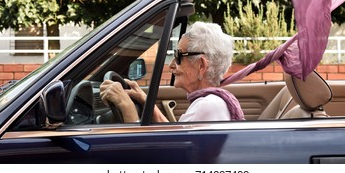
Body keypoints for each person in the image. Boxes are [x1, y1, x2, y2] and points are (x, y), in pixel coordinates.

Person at [100, 21, 245, 122]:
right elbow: (177, 138)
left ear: (201, 65)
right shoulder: (212, 103)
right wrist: (145, 101)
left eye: (179, 56)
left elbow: (165, 161)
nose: (171, 65)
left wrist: (126, 106)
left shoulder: (206, 106)